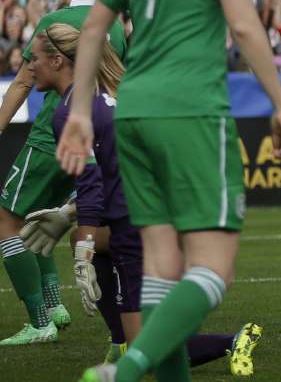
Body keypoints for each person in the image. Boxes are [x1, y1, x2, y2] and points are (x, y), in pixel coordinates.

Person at [57, 0, 281, 382]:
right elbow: (243, 23)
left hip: (132, 110)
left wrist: (76, 114)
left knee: (162, 270)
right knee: (214, 271)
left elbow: (94, 29)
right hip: (189, 108)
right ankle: (129, 368)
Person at [26, 24, 261, 374]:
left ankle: (229, 340)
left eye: (33, 59)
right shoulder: (112, 91)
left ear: (58, 61)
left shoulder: (70, 112)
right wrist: (71, 217)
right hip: (167, 209)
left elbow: (93, 181)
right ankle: (122, 334)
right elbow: (117, 170)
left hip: (139, 222)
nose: (29, 67)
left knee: (146, 346)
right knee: (142, 338)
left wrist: (82, 250)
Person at [0, 0, 127, 345]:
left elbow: (22, 82)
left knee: (7, 224)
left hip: (50, 137)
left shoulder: (54, 22)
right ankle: (54, 304)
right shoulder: (116, 26)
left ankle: (40, 321)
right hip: (94, 135)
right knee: (40, 220)